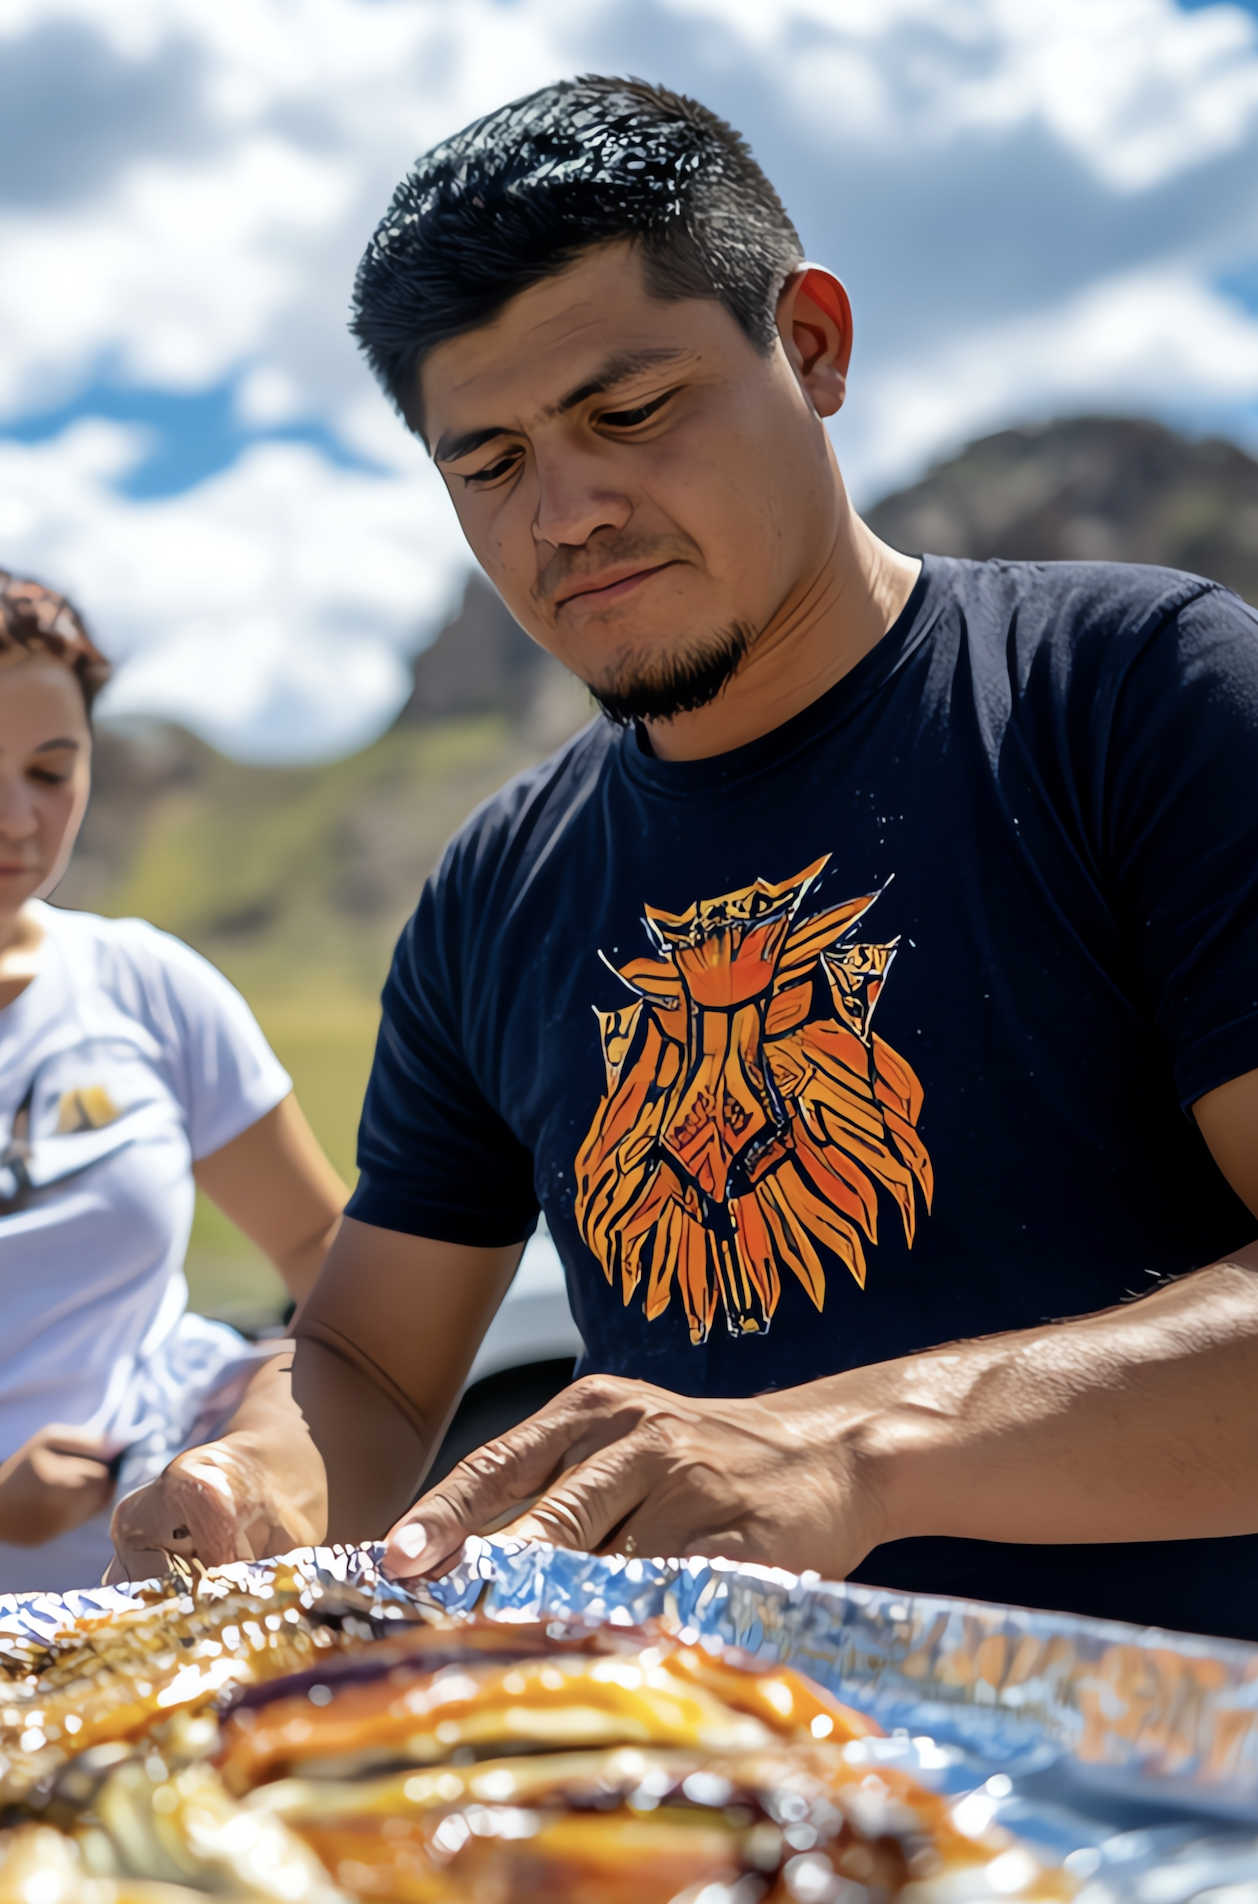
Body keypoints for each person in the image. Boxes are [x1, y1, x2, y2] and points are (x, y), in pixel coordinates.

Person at [111, 77, 1258, 1638]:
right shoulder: (495, 890)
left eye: (626, 413)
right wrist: (258, 1477)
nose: (566, 512)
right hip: (700, 1812)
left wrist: (853, 1450)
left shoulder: (1131, 696)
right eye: (489, 463)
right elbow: (372, 1368)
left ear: (810, 344)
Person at [0, 569, 350, 1593]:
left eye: (53, 770)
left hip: (167, 1624)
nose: (14, 816)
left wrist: (264, 1438)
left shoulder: (149, 985)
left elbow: (341, 1275)